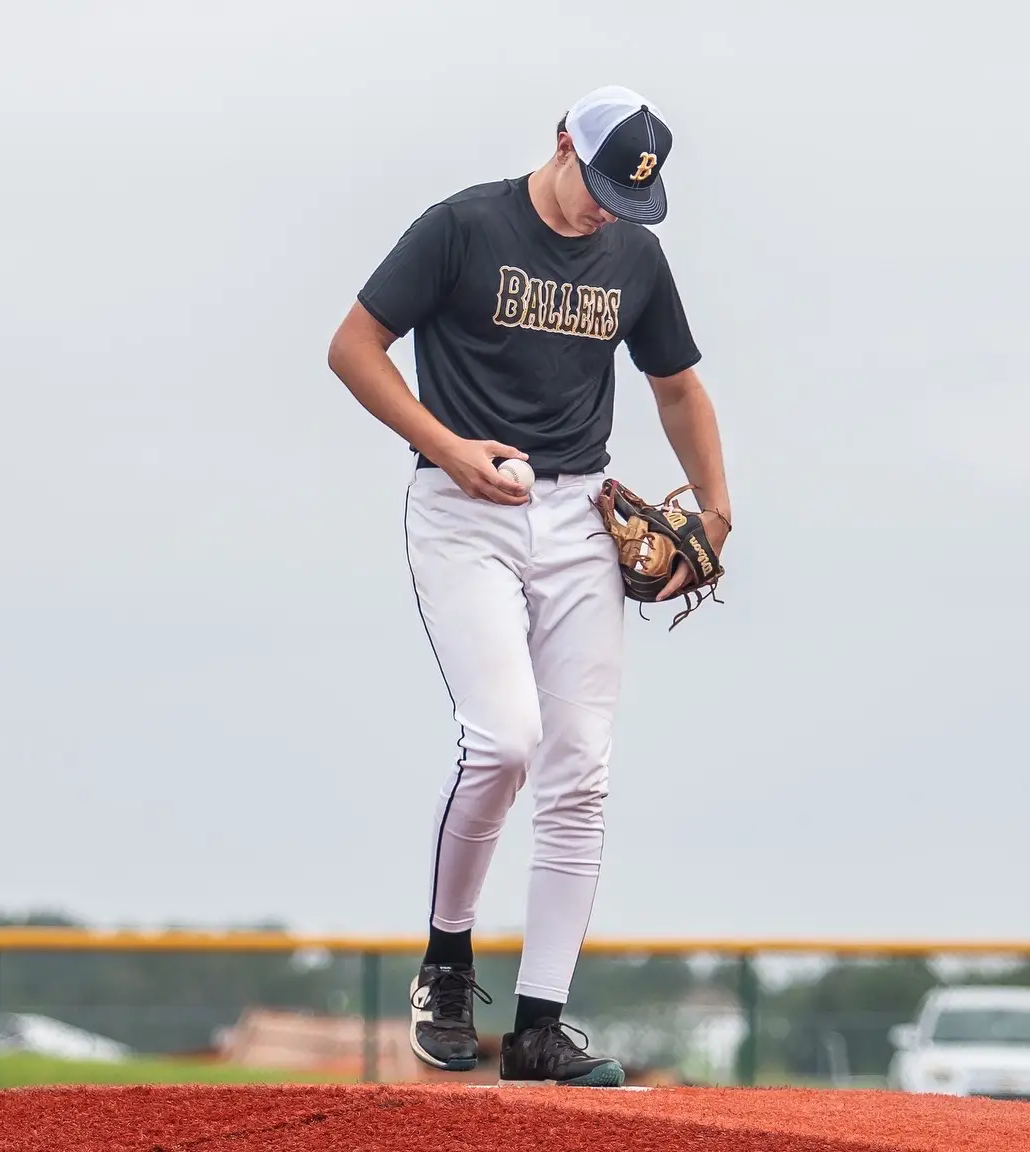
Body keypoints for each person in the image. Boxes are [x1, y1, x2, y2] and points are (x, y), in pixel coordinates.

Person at [327, 84, 732, 1087]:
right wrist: (447, 446)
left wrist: (717, 514)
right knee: (505, 740)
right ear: (561, 145)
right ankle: (447, 963)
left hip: (581, 512)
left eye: (629, 198)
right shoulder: (463, 226)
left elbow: (677, 385)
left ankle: (541, 1025)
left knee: (580, 769)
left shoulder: (634, 255)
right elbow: (353, 347)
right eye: (600, 187)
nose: (608, 211)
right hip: (465, 506)